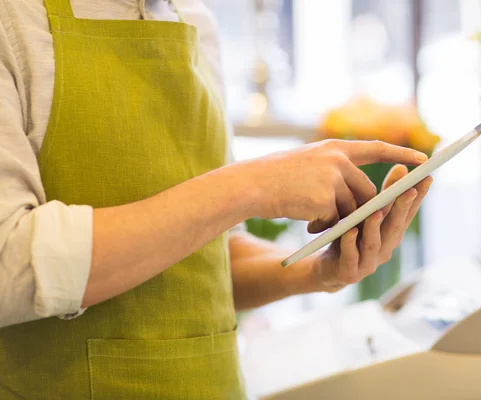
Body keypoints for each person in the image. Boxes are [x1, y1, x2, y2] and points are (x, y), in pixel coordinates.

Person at [0, 0, 433, 398]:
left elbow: (209, 258)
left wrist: (320, 269)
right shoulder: (13, 19)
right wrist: (252, 185)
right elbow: (10, 261)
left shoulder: (195, 22)